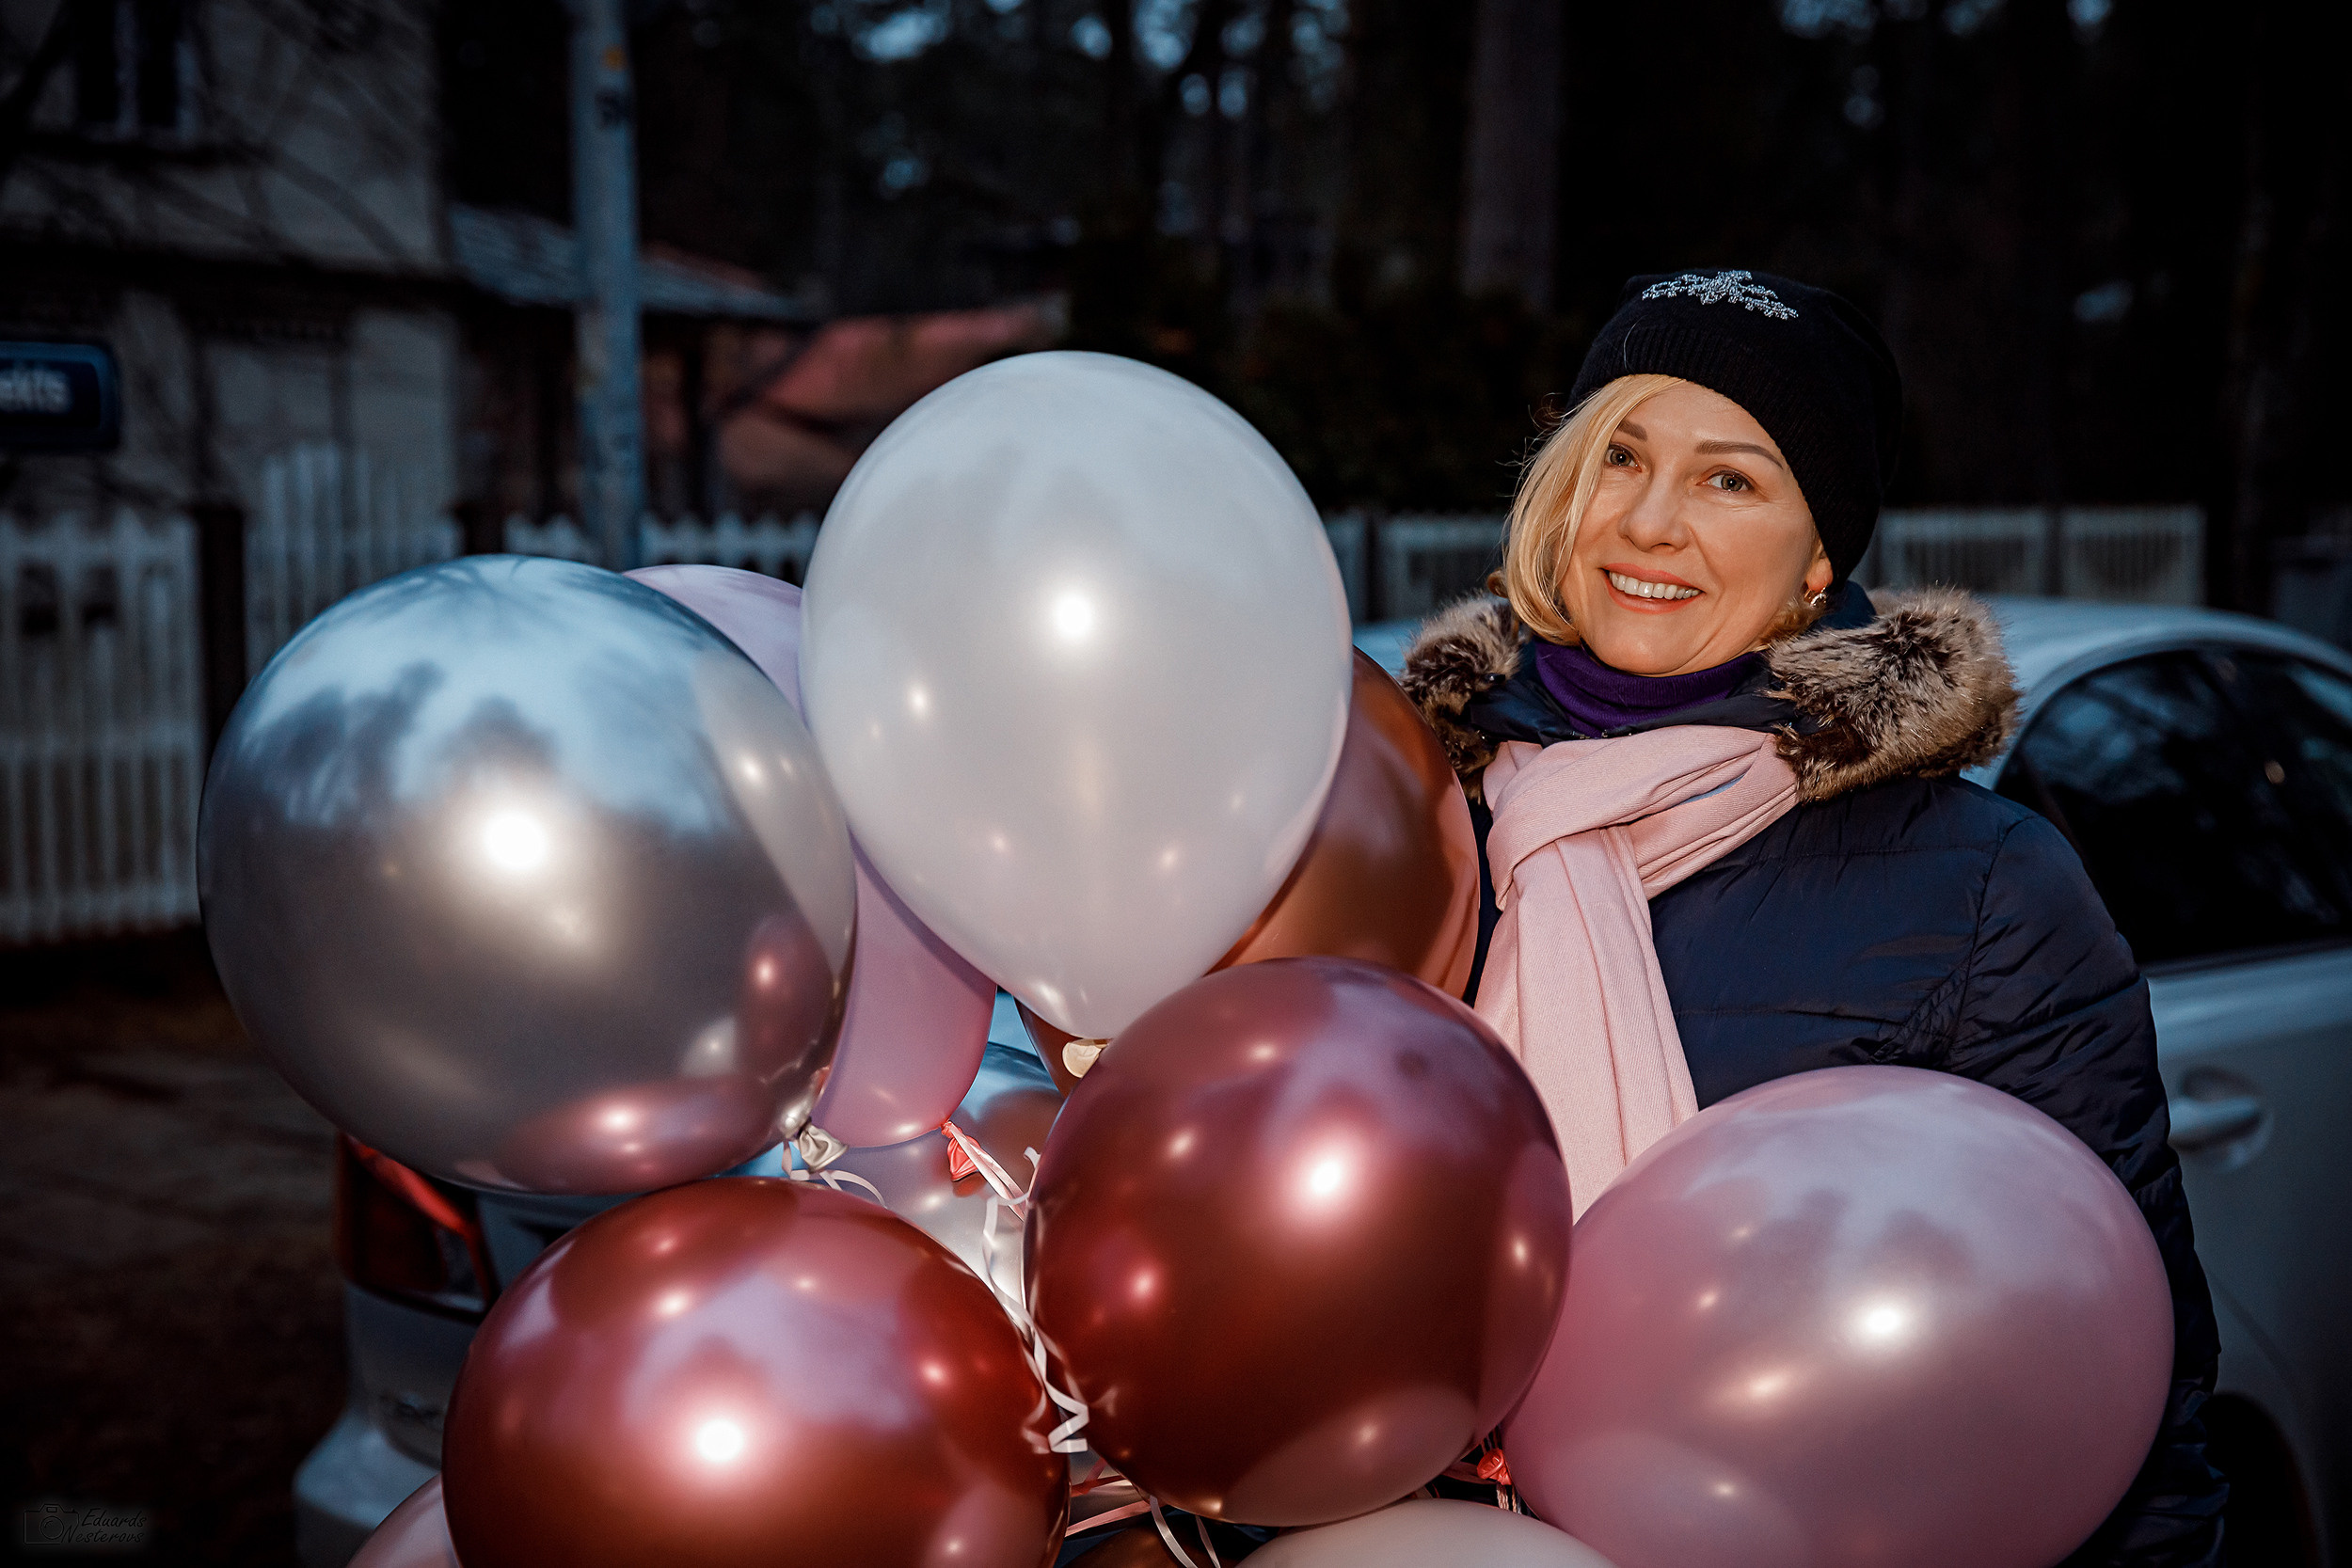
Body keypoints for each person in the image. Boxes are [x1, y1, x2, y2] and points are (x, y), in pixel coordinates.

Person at [1401, 270, 2226, 1564]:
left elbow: (2127, 1395)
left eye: (1732, 480)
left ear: (1819, 558)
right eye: (1621, 454)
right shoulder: (1407, 817)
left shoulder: (1978, 887)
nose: (1652, 521)